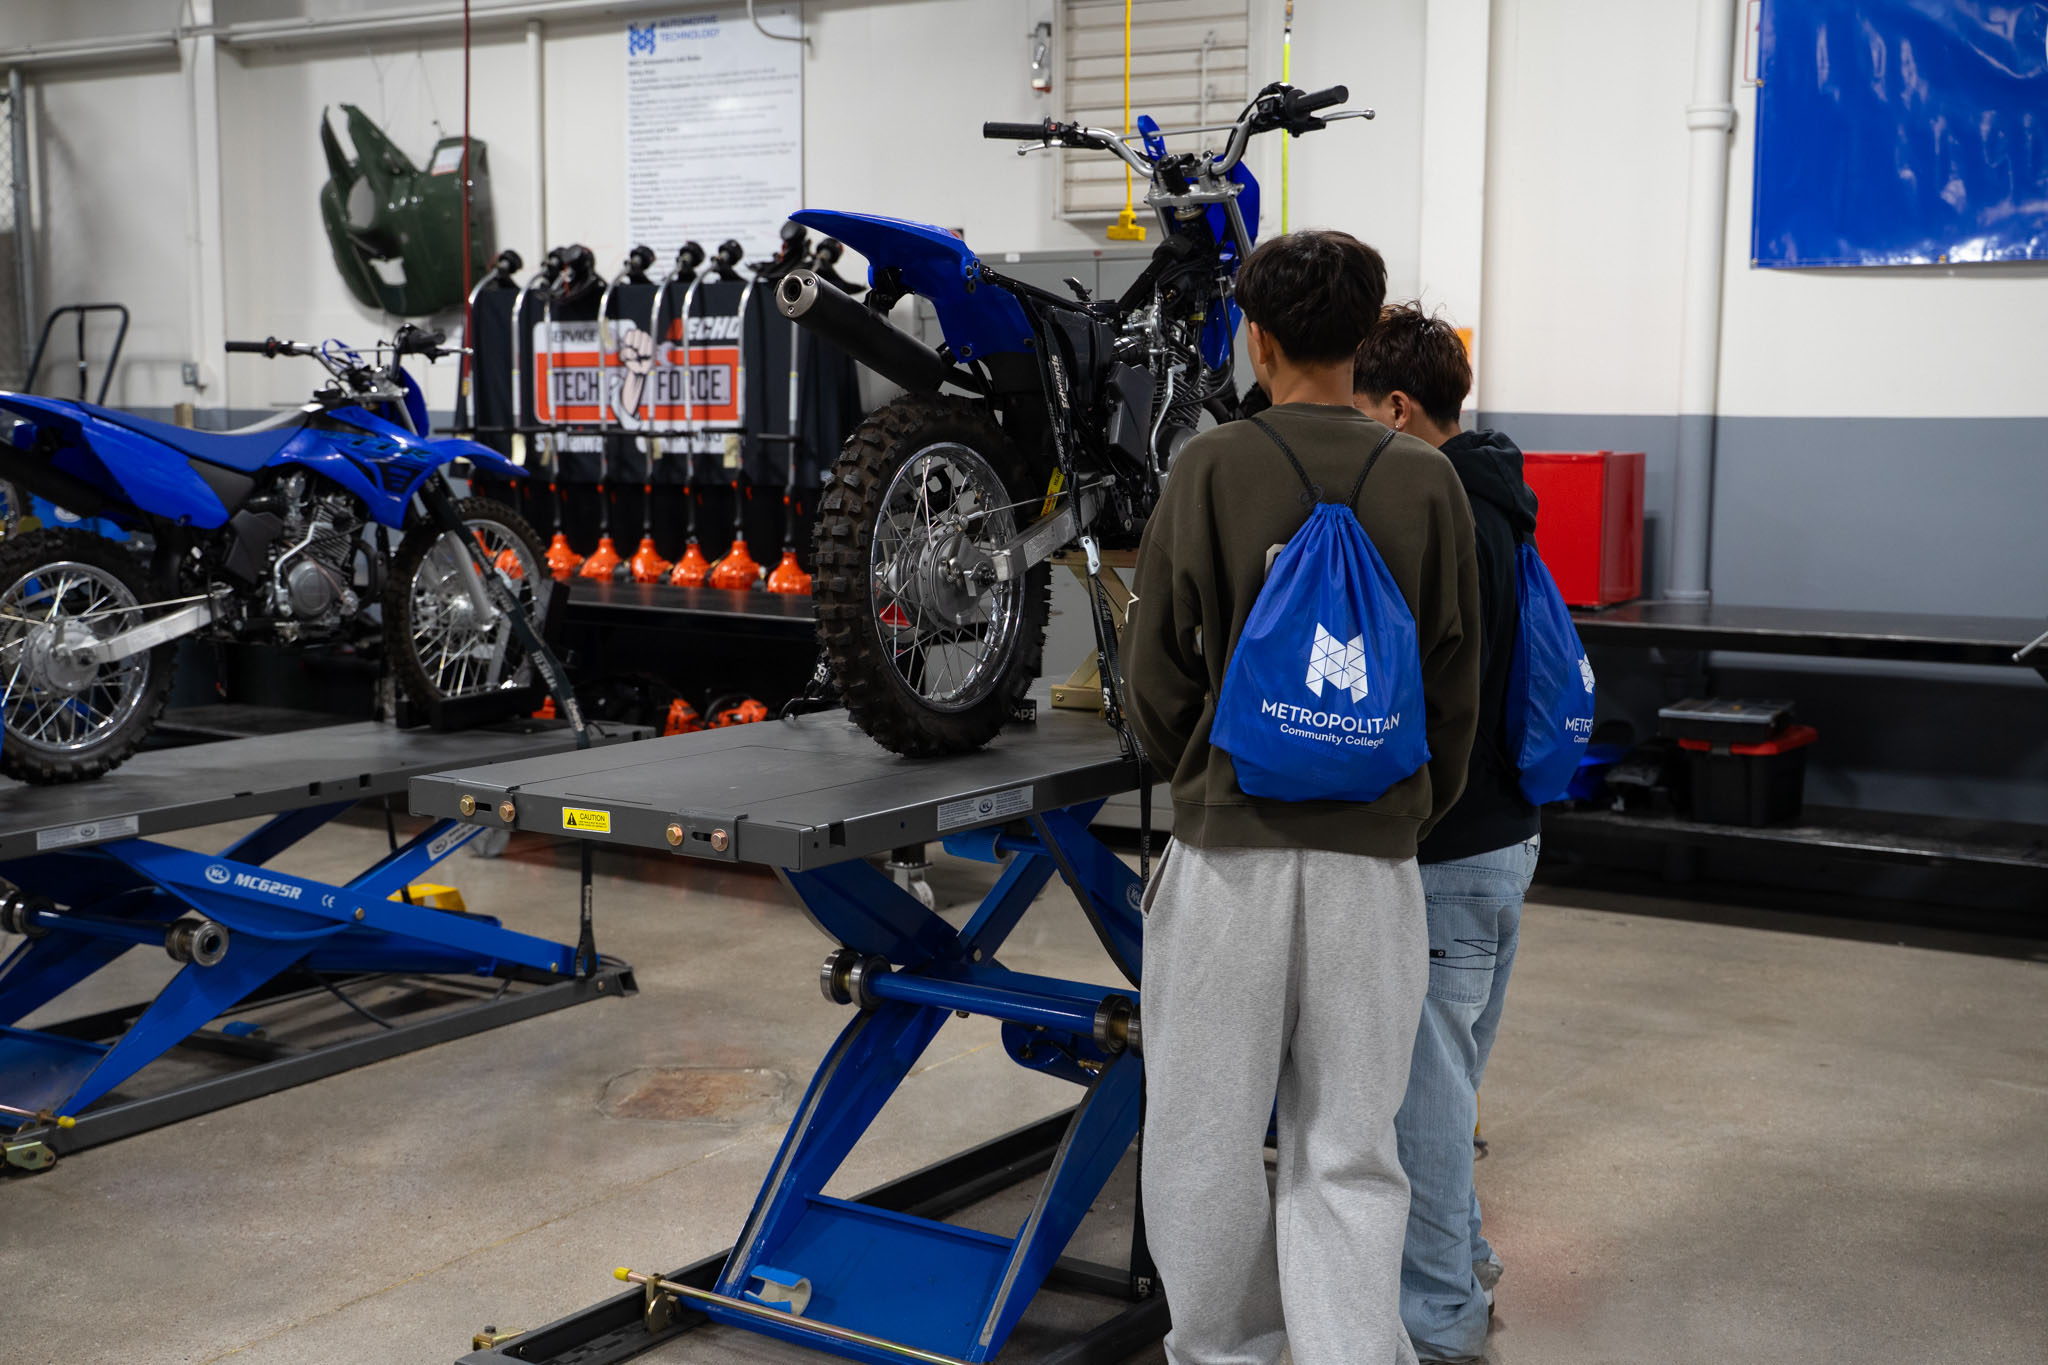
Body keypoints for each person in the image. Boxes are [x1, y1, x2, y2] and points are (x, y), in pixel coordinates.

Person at [1125, 232, 1482, 1365]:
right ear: (1365, 337)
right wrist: (1393, 816)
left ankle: (1223, 1353)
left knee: (1201, 1133)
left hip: (1227, 855)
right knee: (1349, 1140)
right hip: (1369, 867)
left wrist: (1209, 776)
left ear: (1257, 338)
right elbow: (1453, 688)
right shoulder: (1427, 478)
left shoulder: (1210, 466)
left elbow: (1154, 679)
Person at [1353, 305, 1542, 1364]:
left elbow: (1423, 693)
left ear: (1393, 406)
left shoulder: (1437, 512)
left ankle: (1438, 1325)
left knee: (1421, 1109)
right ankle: (1465, 1262)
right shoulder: (1494, 491)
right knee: (1449, 1086)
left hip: (1450, 850)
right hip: (1506, 843)